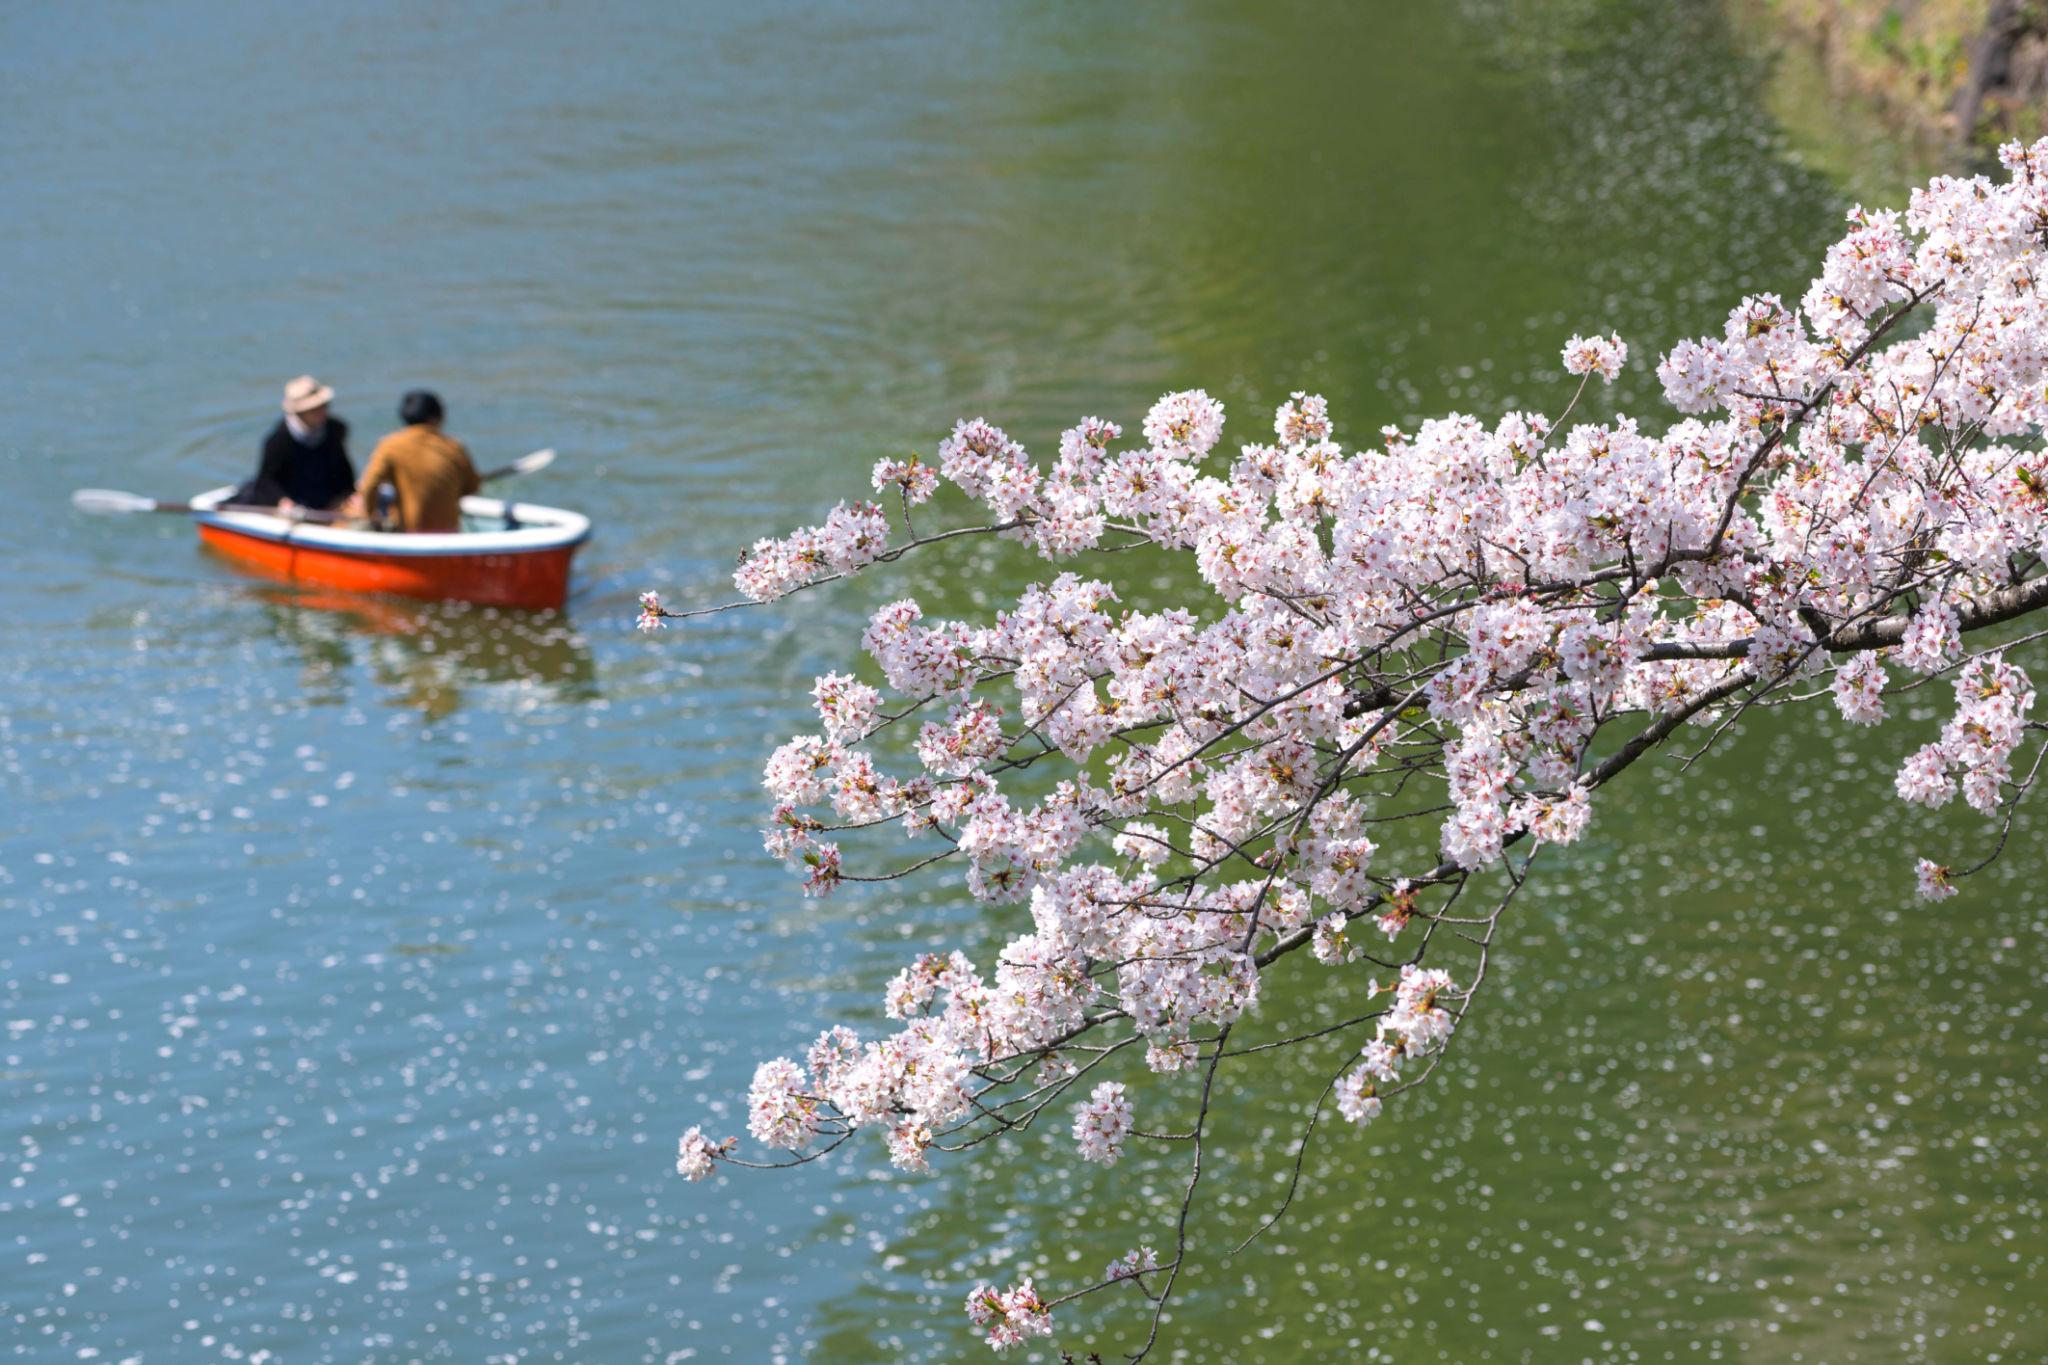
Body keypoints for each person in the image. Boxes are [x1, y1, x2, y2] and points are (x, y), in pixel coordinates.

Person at [343, 390, 482, 532]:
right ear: (437, 418)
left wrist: (371, 516)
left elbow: (369, 485)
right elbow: (473, 486)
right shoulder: (454, 447)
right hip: (449, 532)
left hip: (410, 532)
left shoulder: (390, 446)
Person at [237, 375, 355, 510]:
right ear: (300, 413)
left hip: (325, 493)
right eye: (314, 409)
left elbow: (343, 468)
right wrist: (283, 501)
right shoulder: (279, 441)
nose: (321, 412)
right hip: (294, 498)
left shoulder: (336, 429)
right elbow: (266, 481)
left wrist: (349, 492)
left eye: (323, 406)